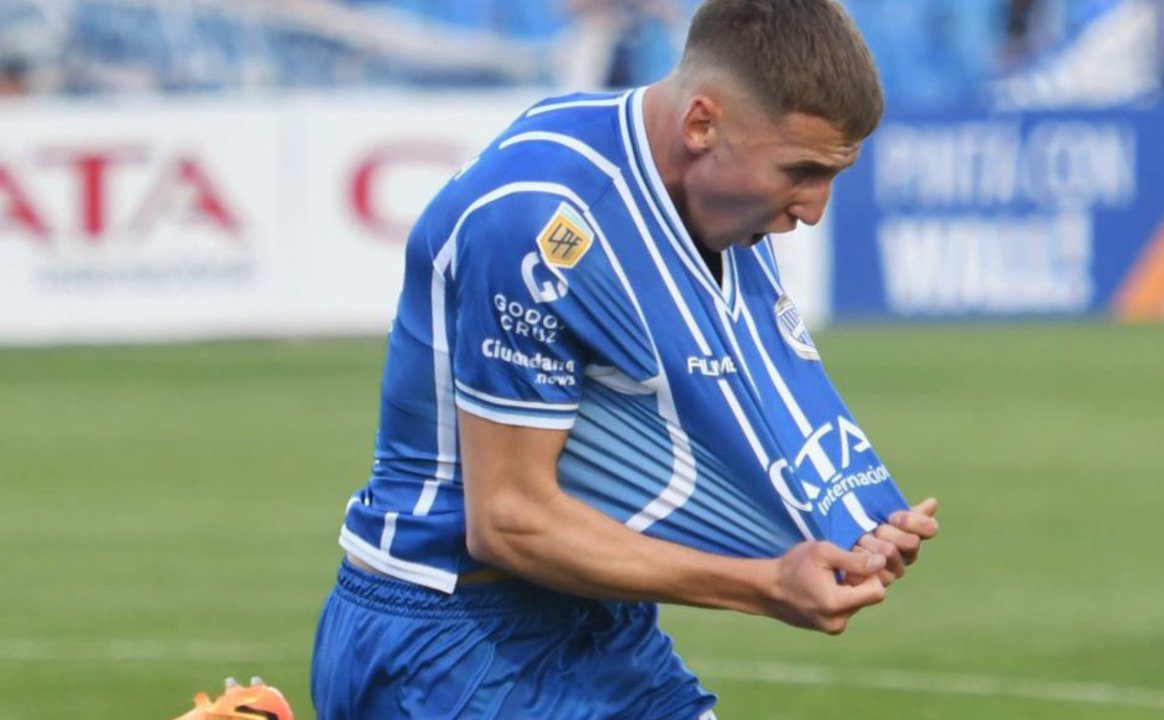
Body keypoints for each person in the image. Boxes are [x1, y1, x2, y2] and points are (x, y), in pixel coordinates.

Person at [311, 1, 939, 718]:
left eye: (833, 175)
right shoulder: (542, 217)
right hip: (449, 634)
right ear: (701, 123)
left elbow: (741, 410)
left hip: (597, 617)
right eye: (801, 170)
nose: (814, 209)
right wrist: (766, 583)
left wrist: (846, 524)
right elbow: (509, 519)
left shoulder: (706, 202)